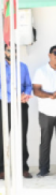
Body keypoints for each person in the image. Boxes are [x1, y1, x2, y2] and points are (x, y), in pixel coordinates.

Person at [0, 43, 33, 179]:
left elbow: (28, 85)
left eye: (15, 50)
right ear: (5, 51)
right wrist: (15, 98)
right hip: (5, 105)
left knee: (21, 136)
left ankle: (23, 168)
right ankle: (1, 169)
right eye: (9, 50)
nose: (12, 52)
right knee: (2, 137)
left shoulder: (23, 67)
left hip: (21, 106)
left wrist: (25, 96)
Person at [32, 45, 56, 177]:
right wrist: (50, 95)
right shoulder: (41, 71)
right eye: (55, 53)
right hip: (46, 112)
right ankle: (43, 169)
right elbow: (36, 91)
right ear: (49, 55)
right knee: (45, 142)